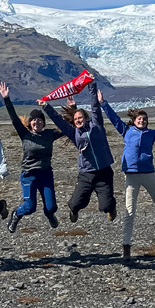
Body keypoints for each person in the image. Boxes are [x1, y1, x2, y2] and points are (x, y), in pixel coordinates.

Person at [98, 90, 155, 260]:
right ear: (134, 120)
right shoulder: (126, 131)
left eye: (145, 119)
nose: (143, 121)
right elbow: (114, 118)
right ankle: (126, 246)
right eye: (140, 119)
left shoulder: (151, 134)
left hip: (148, 174)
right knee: (130, 211)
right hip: (131, 176)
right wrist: (103, 103)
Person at [38, 79, 117, 223]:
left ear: (86, 118)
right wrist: (46, 107)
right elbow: (59, 121)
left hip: (103, 171)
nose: (78, 120)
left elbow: (95, 106)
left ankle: (111, 208)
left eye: (80, 117)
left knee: (106, 205)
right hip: (86, 173)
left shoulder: (97, 126)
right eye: (76, 119)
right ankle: (74, 210)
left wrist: (92, 85)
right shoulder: (74, 133)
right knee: (76, 203)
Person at [0, 82, 64, 233]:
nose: (37, 121)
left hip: (46, 174)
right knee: (30, 207)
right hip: (29, 175)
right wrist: (7, 99)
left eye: (40, 119)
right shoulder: (25, 134)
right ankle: (16, 214)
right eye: (34, 119)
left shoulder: (49, 134)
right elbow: (14, 119)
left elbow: (66, 128)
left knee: (51, 207)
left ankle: (49, 214)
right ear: (31, 122)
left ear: (43, 122)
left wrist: (71, 108)